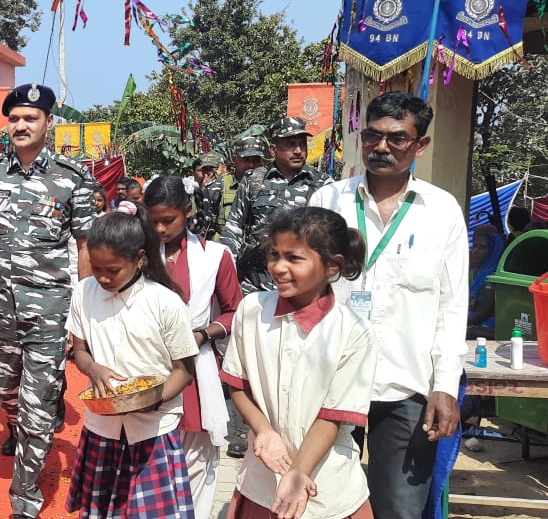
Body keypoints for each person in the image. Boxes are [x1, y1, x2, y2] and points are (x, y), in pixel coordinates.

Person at [308, 92, 468, 517]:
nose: (381, 147)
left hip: (405, 389)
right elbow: (304, 293)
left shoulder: (441, 211)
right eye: (372, 136)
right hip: (329, 383)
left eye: (397, 138)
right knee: (318, 502)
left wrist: (445, 385)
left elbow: (453, 305)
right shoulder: (328, 202)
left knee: (400, 509)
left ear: (421, 145)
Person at [0, 83, 97, 518]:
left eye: (30, 118)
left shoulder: (72, 178)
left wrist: (85, 313)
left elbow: (85, 246)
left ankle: (24, 499)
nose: (21, 125)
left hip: (51, 309)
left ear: (48, 123)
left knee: (37, 405)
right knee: (6, 389)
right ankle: (18, 426)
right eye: (15, 118)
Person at [220, 207, 376, 519]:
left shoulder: (354, 332)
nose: (278, 267)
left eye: (294, 258)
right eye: (274, 255)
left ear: (332, 266)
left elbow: (332, 416)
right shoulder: (251, 311)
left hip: (326, 483)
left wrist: (298, 472)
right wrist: (264, 432)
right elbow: (239, 385)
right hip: (262, 479)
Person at [66, 210, 198, 518]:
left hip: (154, 428)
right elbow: (80, 351)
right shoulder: (84, 292)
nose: (102, 278)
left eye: (112, 270)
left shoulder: (165, 302)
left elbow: (184, 371)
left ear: (139, 259)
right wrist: (94, 369)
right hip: (102, 426)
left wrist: (153, 399)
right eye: (96, 268)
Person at [145, 176, 243, 519]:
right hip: (149, 364)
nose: (160, 229)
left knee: (197, 458)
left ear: (187, 211)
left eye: (168, 220)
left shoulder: (215, 256)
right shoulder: (139, 254)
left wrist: (202, 334)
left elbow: (234, 311)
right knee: (153, 453)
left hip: (196, 369)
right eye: (153, 220)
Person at [220, 117, 333, 294]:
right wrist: (224, 271)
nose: (298, 151)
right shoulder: (254, 181)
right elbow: (234, 229)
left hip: (302, 286)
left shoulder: (322, 184)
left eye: (302, 144)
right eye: (290, 145)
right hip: (254, 286)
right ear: (273, 150)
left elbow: (331, 236)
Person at [209, 137, 266, 237]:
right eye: (246, 160)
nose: (251, 165)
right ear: (234, 159)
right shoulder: (219, 185)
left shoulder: (270, 184)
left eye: (256, 160)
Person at [467, 225, 504, 339]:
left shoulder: (495, 277)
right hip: (470, 318)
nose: (475, 251)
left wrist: (458, 322)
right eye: (474, 246)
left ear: (493, 251)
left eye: (482, 248)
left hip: (486, 323)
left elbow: (484, 313)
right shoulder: (473, 273)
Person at [192, 153, 226, 239]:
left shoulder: (221, 185)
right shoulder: (192, 186)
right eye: (204, 169)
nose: (207, 173)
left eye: (210, 169)